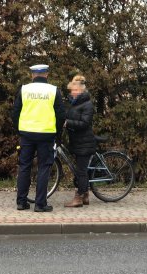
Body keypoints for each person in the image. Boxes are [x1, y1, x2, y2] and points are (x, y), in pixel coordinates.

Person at [12, 64, 65, 211]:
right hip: (46, 135)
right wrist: (57, 134)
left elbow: (15, 113)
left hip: (26, 134)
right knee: (44, 167)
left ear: (32, 75)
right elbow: (61, 116)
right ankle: (40, 204)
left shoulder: (24, 89)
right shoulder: (54, 91)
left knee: (24, 166)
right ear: (46, 74)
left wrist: (19, 130)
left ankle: (21, 202)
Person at [64, 75, 96, 207]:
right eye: (71, 90)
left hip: (84, 142)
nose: (72, 92)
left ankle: (79, 198)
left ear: (81, 90)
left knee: (81, 171)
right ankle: (86, 196)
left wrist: (67, 123)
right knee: (81, 170)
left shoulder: (87, 104)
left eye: (75, 90)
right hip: (77, 141)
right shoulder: (74, 103)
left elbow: (84, 123)